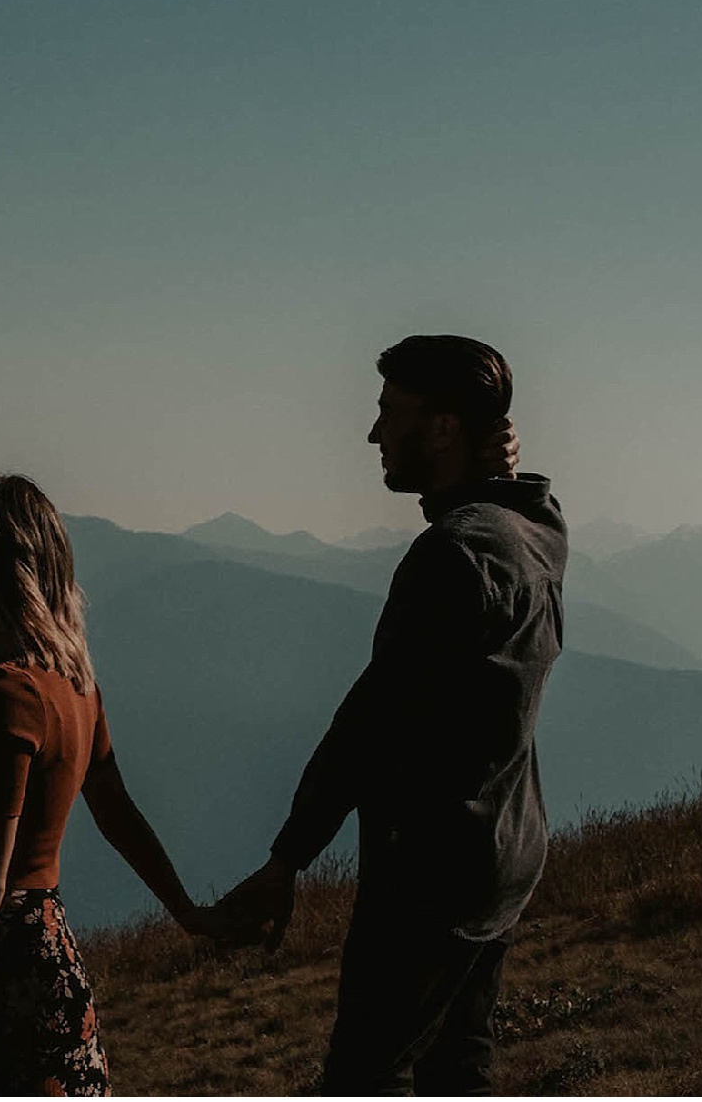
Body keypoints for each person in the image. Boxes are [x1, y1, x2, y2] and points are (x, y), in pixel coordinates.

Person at [217, 334, 569, 1096]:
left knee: (364, 1078)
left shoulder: (452, 555)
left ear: (442, 430)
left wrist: (288, 859)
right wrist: (496, 471)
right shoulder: (535, 536)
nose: (375, 433)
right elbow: (533, 502)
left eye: (390, 412)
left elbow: (370, 725)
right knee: (458, 1068)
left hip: (430, 881)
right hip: (503, 860)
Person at [0, 474, 224, 1096]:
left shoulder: (3, 695)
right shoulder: (72, 681)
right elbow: (117, 811)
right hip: (46, 962)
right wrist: (187, 913)